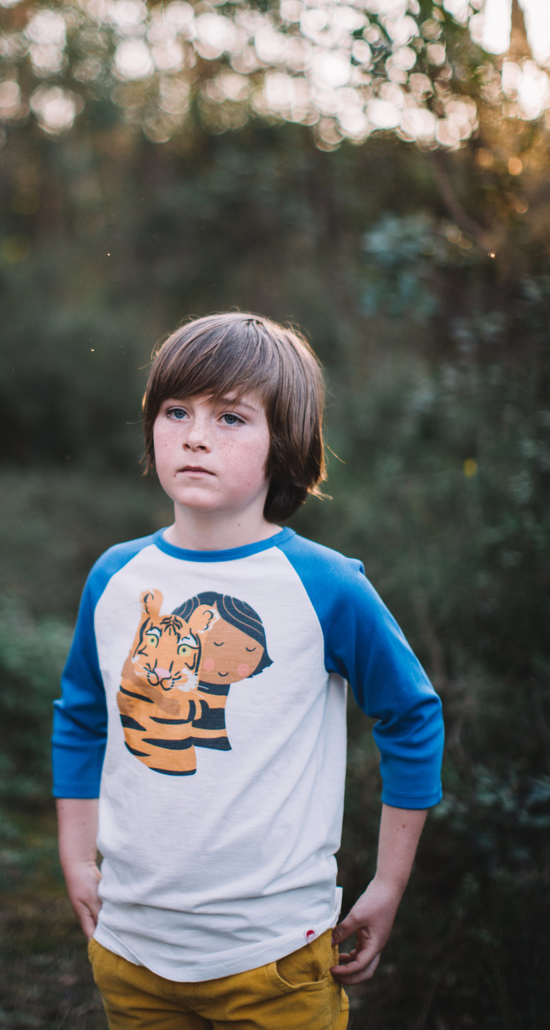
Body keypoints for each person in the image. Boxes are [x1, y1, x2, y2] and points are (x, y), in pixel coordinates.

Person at [52, 312, 443, 1030]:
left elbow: (411, 716)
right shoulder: (115, 577)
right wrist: (77, 858)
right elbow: (81, 716)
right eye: (177, 411)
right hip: (132, 953)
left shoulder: (327, 586)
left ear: (285, 447)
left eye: (231, 417)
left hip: (275, 962)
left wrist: (389, 883)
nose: (196, 434)